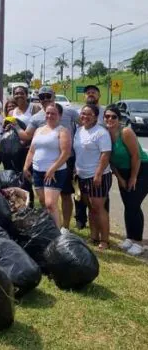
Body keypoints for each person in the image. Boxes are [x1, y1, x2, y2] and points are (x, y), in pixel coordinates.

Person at [15, 86, 79, 228]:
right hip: (39, 168)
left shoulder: (68, 113)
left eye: (48, 96)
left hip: (63, 163)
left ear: (53, 96)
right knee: (45, 202)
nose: (45, 99)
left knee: (64, 196)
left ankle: (65, 227)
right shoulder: (37, 120)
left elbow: (86, 122)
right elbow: (28, 140)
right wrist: (14, 126)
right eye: (42, 97)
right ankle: (49, 226)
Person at [104, 104, 148, 256]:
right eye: (107, 116)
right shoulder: (105, 134)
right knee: (128, 205)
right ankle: (129, 238)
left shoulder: (125, 132)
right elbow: (111, 161)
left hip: (141, 170)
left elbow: (136, 156)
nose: (110, 119)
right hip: (122, 172)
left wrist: (133, 177)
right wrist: (120, 178)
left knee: (133, 205)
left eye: (113, 117)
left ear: (119, 119)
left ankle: (138, 242)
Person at [24, 103, 72, 228]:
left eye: (53, 113)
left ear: (60, 116)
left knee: (51, 203)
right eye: (48, 113)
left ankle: (57, 233)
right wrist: (25, 167)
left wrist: (52, 168)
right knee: (43, 202)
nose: (50, 116)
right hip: (37, 170)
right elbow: (32, 151)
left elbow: (66, 153)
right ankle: (48, 227)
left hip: (54, 172)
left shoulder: (62, 131)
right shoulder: (39, 130)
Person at [73, 104, 113, 250]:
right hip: (82, 175)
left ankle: (105, 240)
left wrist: (98, 174)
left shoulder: (101, 132)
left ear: (96, 116)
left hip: (97, 175)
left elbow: (105, 154)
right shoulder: (79, 131)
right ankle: (94, 236)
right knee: (90, 206)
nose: (85, 116)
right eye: (83, 113)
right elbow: (79, 153)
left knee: (98, 207)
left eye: (89, 114)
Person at [74, 84, 106, 229]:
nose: (90, 94)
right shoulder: (78, 112)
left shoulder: (106, 112)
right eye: (88, 93)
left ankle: (101, 225)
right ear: (84, 96)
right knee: (80, 193)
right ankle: (80, 220)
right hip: (82, 157)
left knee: (100, 199)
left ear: (99, 96)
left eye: (94, 92)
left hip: (101, 157)